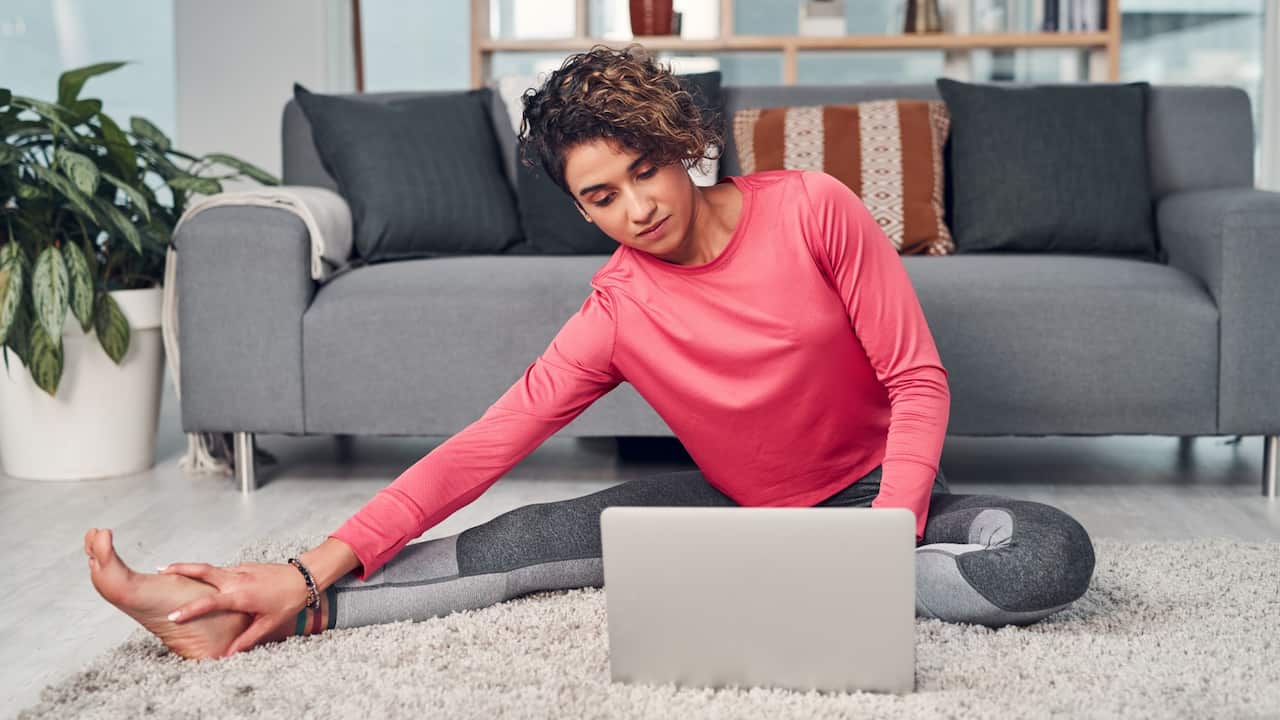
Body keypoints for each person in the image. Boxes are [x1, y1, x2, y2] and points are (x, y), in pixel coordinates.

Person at [84, 44, 1095, 661]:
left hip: (883, 502)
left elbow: (914, 380)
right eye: (599, 197)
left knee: (1047, 555)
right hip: (737, 517)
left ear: (681, 146)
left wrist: (883, 534)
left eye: (644, 172)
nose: (637, 209)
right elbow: (478, 449)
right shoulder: (614, 310)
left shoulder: (813, 212)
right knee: (529, 539)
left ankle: (782, 579)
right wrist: (301, 573)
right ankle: (245, 614)